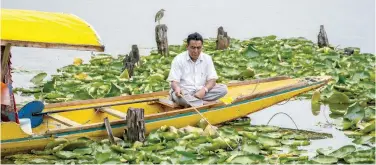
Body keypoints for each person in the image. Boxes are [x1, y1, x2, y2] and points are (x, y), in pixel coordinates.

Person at [167, 32, 228, 107]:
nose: (196, 51)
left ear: (202, 47)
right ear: (187, 46)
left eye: (198, 48)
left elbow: (212, 80)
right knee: (179, 98)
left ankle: (194, 102)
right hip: (184, 93)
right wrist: (177, 88)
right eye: (193, 47)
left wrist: (204, 90)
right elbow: (174, 81)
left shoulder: (207, 58)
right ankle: (204, 103)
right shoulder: (178, 59)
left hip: (200, 93)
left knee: (223, 89)